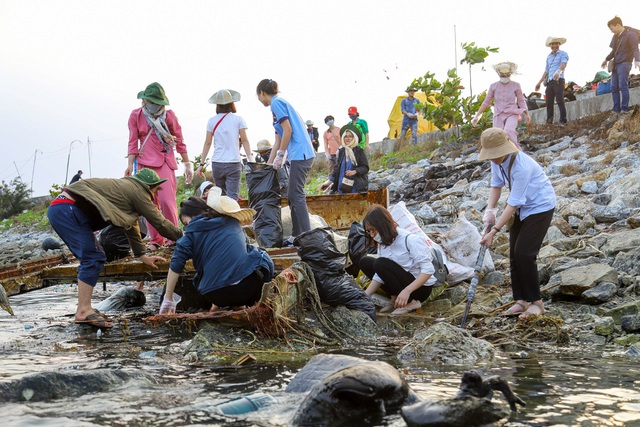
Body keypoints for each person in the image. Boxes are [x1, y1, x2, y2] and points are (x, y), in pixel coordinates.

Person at [47, 168, 183, 328]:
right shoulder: (139, 190)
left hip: (64, 208)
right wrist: (185, 238)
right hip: (68, 209)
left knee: (94, 255)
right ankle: (83, 310)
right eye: (156, 189)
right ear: (150, 186)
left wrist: (142, 255)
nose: (156, 193)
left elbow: (131, 227)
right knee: (92, 257)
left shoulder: (125, 190)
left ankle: (85, 308)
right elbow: (159, 222)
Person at [477, 128, 556, 319]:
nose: (493, 158)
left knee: (524, 253)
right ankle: (521, 300)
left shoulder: (522, 166)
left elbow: (512, 204)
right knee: (513, 254)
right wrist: (490, 211)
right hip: (522, 207)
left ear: (505, 148)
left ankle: (536, 302)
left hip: (540, 206)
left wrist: (494, 231)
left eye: (495, 154)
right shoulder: (496, 161)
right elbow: (496, 186)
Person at [159, 192, 274, 314]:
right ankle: (261, 299)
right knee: (260, 254)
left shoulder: (191, 234)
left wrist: (168, 298)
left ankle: (234, 305)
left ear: (192, 216)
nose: (188, 227)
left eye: (186, 223)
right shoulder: (234, 223)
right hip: (248, 290)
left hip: (214, 295)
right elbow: (240, 254)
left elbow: (176, 264)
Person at [126, 82, 193, 251]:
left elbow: (179, 140)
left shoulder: (169, 116)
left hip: (165, 161)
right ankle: (156, 239)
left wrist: (187, 164)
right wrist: (129, 165)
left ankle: (173, 237)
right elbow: (133, 142)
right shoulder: (136, 115)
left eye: (157, 102)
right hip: (143, 164)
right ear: (145, 100)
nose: (154, 105)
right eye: (152, 101)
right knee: (148, 204)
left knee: (167, 201)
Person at [256, 79, 315, 246]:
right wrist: (268, 164)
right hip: (297, 154)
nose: (259, 99)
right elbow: (278, 139)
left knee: (296, 194)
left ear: (262, 93)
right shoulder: (276, 108)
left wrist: (281, 154)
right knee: (291, 195)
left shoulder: (277, 103)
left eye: (258, 96)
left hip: (301, 153)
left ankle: (307, 236)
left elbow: (288, 130)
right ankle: (296, 235)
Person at [359, 204, 436, 315]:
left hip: (419, 289)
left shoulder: (410, 240)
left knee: (381, 263)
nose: (371, 235)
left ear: (383, 225)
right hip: (401, 281)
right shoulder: (383, 243)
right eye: (369, 232)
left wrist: (407, 291)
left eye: (373, 230)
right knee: (366, 262)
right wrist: (365, 296)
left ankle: (412, 302)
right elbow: (379, 273)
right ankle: (394, 298)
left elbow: (427, 271)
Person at [195, 89, 255, 201]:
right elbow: (245, 140)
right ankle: (233, 218)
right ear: (232, 103)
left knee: (221, 198)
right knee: (232, 198)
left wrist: (201, 164)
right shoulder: (238, 120)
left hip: (217, 163)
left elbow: (207, 143)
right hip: (233, 163)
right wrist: (250, 159)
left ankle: (223, 218)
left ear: (217, 105)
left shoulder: (211, 121)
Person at [472, 62, 530, 149]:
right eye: (502, 75)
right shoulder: (493, 86)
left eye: (506, 75)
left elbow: (521, 100)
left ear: (510, 74)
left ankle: (516, 151)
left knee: (509, 131)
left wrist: (527, 114)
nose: (504, 77)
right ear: (499, 74)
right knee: (497, 135)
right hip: (498, 114)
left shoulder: (516, 85)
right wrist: (477, 116)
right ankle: (502, 158)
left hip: (512, 113)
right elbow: (486, 102)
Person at [600, 17, 640, 113]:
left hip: (625, 63)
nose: (611, 31)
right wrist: (606, 59)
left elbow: (635, 48)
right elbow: (613, 51)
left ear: (618, 25)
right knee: (613, 87)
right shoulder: (615, 37)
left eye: (612, 28)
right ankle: (616, 110)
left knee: (623, 85)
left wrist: (637, 60)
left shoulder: (631, 35)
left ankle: (624, 109)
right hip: (616, 64)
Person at [320, 124, 369, 194]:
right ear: (343, 138)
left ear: (354, 138)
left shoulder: (359, 151)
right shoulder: (341, 151)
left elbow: (365, 168)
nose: (348, 138)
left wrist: (355, 171)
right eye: (346, 136)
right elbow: (337, 168)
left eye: (350, 136)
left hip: (355, 185)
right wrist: (329, 182)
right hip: (342, 184)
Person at [534, 37, 569, 125]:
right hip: (550, 81)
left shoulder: (563, 54)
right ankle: (549, 122)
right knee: (549, 102)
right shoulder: (549, 57)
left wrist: (558, 71)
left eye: (556, 43)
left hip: (558, 80)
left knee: (560, 100)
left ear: (559, 44)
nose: (554, 45)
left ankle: (563, 120)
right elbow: (546, 71)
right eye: (552, 44)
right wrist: (539, 82)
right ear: (550, 45)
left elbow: (563, 64)